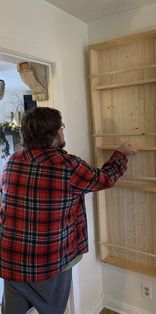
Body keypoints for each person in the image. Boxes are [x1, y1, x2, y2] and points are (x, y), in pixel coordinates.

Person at [0, 107, 136, 314]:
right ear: (53, 135)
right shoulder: (66, 166)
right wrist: (121, 154)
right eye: (61, 127)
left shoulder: (13, 160)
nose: (63, 131)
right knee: (53, 309)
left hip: (10, 257)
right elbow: (104, 178)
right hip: (49, 260)